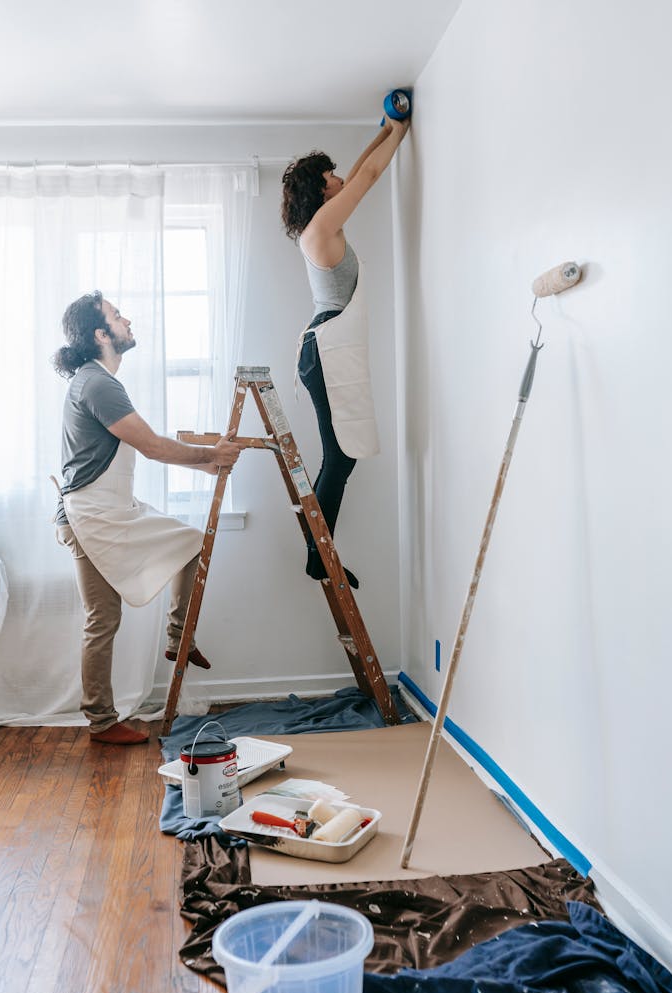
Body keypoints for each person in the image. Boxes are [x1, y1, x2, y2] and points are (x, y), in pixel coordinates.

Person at [52, 291, 240, 746]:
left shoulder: (96, 381)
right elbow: (152, 445)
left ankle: (177, 636)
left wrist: (206, 463)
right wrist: (210, 455)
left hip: (106, 509)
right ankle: (100, 721)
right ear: (101, 335)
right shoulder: (97, 384)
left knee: (189, 543)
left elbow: (147, 446)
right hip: (91, 515)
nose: (127, 320)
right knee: (102, 618)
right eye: (117, 316)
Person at [281, 115, 409, 589]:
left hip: (326, 349)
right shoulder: (320, 228)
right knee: (339, 457)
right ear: (319, 190)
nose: (338, 179)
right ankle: (318, 553)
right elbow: (368, 178)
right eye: (328, 176)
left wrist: (387, 129)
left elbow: (358, 174)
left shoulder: (322, 225)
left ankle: (318, 549)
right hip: (325, 351)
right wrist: (396, 135)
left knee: (340, 456)